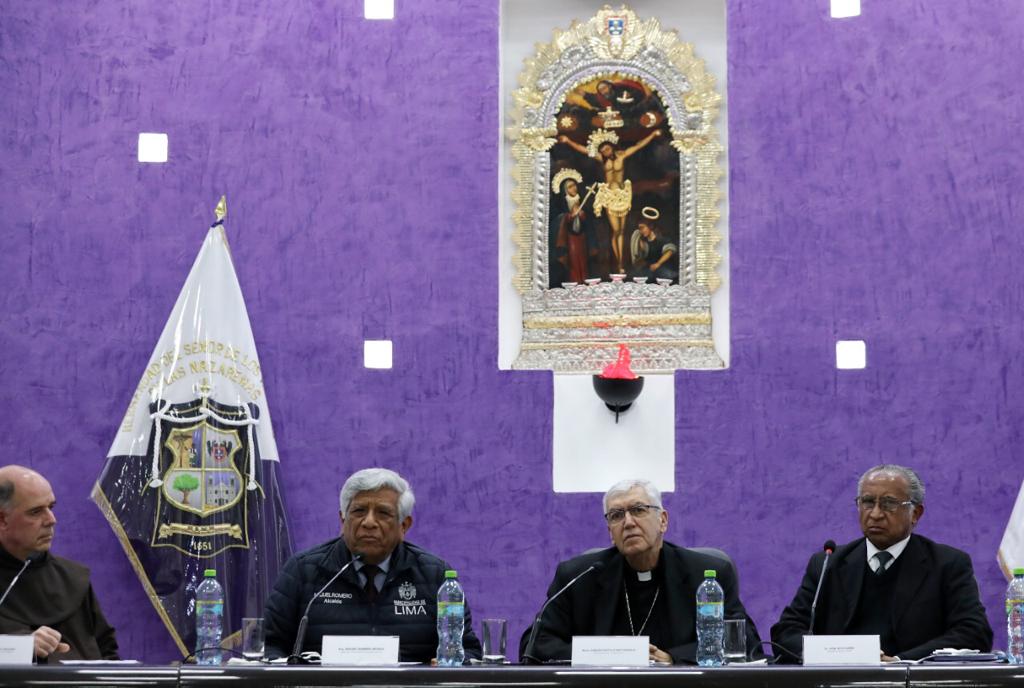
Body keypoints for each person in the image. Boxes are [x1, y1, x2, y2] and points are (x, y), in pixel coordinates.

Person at [524, 478, 763, 664]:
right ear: (610, 531)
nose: (628, 522)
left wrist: (673, 658)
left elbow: (743, 642)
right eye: (617, 515)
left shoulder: (707, 573)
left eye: (638, 510)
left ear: (663, 521)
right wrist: (607, 655)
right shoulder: (579, 576)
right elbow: (535, 644)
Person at [771, 464, 993, 662]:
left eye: (889, 504)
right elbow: (787, 631)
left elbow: (974, 633)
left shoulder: (947, 564)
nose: (875, 514)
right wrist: (832, 656)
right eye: (868, 502)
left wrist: (900, 661)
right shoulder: (827, 563)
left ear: (915, 513)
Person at [264, 468, 482, 662]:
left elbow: (468, 651)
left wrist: (446, 665)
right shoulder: (303, 570)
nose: (368, 522)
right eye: (359, 511)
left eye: (383, 513)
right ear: (343, 520)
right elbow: (270, 647)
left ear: (404, 526)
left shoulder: (434, 575)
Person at [0, 465, 119, 662]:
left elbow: (108, 653)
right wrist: (20, 648)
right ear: (2, 519)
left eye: (51, 507)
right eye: (35, 512)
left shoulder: (74, 579)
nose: (51, 520)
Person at [558, 129, 662, 275]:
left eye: (606, 149)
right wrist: (568, 141)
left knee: (622, 231)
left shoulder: (622, 155)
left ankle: (620, 263)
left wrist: (652, 134)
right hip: (609, 197)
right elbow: (584, 150)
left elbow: (638, 146)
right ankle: (619, 263)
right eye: (602, 151)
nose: (605, 152)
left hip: (623, 196)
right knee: (616, 230)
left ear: (611, 146)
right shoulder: (601, 159)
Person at [629, 212, 678, 283]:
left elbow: (670, 251)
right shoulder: (643, 242)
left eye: (642, 228)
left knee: (667, 275)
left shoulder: (661, 239)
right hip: (649, 269)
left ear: (650, 226)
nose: (641, 231)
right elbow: (642, 259)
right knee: (634, 275)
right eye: (639, 229)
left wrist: (658, 263)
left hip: (662, 267)